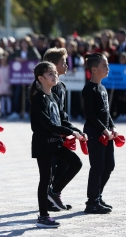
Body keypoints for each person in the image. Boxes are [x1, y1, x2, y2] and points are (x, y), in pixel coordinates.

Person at [29, 61, 85, 227]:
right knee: (45, 178)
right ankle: (43, 216)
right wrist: (69, 132)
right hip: (43, 144)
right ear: (41, 78)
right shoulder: (38, 99)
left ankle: (55, 192)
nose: (55, 76)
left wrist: (77, 131)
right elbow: (47, 124)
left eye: (55, 73)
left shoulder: (53, 96)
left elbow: (62, 119)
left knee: (76, 163)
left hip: (56, 142)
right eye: (50, 74)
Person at [82, 53, 117, 214]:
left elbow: (106, 112)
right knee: (97, 166)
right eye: (104, 66)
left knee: (109, 165)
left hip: (106, 133)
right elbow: (90, 114)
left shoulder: (102, 87)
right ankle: (91, 202)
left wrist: (112, 127)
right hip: (94, 132)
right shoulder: (89, 89)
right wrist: (104, 129)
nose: (108, 68)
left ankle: (98, 195)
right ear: (94, 69)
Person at [42, 47, 74, 211]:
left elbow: (62, 111)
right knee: (51, 168)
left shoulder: (61, 85)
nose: (66, 65)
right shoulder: (46, 86)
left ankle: (54, 195)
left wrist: (69, 128)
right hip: (49, 133)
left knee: (63, 165)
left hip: (60, 132)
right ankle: (48, 202)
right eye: (63, 62)